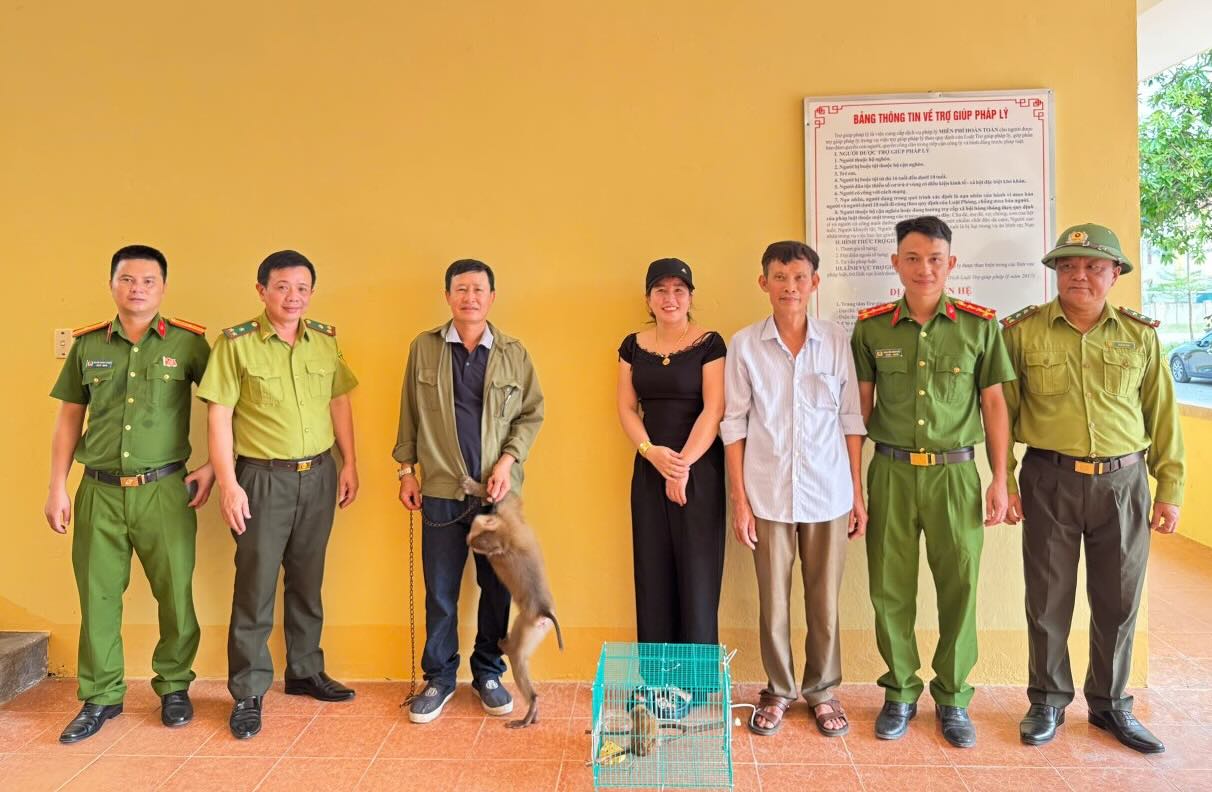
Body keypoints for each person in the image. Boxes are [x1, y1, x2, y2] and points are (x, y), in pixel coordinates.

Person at [1002, 223, 1184, 754]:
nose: (1078, 275)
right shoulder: (1022, 332)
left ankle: (1109, 705)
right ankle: (1048, 700)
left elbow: (1163, 416)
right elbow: (1002, 414)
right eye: (1067, 266)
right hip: (1048, 480)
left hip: (1124, 483)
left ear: (1115, 273)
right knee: (1048, 599)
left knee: (1119, 600)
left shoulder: (1140, 335)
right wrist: (1004, 480)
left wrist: (1168, 486)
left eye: (1091, 266)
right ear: (1056, 273)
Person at [850, 216, 1014, 748]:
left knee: (960, 588)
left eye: (935, 259)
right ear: (896, 263)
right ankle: (899, 691)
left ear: (951, 264)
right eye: (913, 258)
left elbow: (994, 404)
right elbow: (859, 411)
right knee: (889, 588)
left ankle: (952, 697)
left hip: (956, 475)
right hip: (892, 473)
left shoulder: (979, 325)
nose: (925, 269)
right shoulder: (872, 328)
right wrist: (854, 486)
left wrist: (999, 478)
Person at [45, 245, 214, 743]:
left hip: (165, 488)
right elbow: (69, 419)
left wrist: (212, 468)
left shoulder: (188, 344)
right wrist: (57, 486)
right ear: (112, 284)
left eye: (147, 280)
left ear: (163, 287)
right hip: (97, 490)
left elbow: (228, 405)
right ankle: (100, 696)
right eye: (127, 279)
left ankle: (175, 686)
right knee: (97, 597)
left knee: (175, 593)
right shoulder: (87, 345)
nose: (137, 288)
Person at [198, 250, 360, 740]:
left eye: (303, 288)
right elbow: (219, 416)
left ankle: (306, 671)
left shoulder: (325, 341)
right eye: (283, 287)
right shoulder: (235, 344)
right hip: (261, 479)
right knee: (256, 587)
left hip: (319, 475)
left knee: (308, 580)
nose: (294, 297)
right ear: (261, 290)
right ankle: (248, 691)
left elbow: (339, 400)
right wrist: (228, 484)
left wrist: (350, 462)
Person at [721, 241, 866, 738]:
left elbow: (851, 419)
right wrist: (740, 501)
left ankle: (822, 690)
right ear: (764, 283)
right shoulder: (744, 345)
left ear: (814, 283)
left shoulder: (835, 341)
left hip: (829, 492)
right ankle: (779, 689)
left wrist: (857, 494)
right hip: (768, 496)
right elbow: (734, 424)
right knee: (774, 600)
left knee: (824, 600)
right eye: (779, 277)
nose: (789, 286)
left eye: (799, 277)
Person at [394, 259, 544, 724]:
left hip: (496, 495)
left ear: (492, 297)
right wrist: (406, 471)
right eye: (461, 289)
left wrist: (506, 461)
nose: (470, 297)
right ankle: (439, 678)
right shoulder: (424, 348)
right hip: (439, 489)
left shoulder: (514, 352)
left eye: (479, 289)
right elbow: (409, 413)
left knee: (496, 588)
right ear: (448, 296)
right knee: (440, 590)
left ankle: (488, 673)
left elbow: (530, 415)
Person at [616, 258, 726, 647]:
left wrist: (680, 468)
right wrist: (651, 453)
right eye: (660, 290)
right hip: (649, 469)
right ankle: (657, 676)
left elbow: (714, 410)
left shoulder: (710, 344)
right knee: (653, 571)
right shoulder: (633, 346)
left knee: (697, 574)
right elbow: (627, 408)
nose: (670, 298)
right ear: (648, 299)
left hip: (698, 471)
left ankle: (693, 682)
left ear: (690, 296)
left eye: (678, 290)